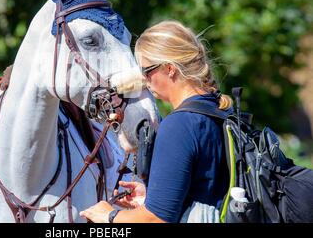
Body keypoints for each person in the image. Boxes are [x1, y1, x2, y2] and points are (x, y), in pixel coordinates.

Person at [80, 20, 233, 223]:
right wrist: (155, 197)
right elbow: (208, 189)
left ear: (169, 69)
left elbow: (155, 220)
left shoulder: (179, 125)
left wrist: (108, 215)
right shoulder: (221, 111)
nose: (143, 80)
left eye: (146, 71)